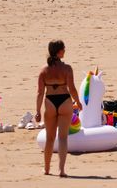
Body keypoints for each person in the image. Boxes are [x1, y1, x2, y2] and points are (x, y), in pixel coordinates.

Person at [35, 40, 83, 177]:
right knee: (63, 138)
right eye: (64, 49)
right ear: (59, 51)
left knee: (50, 138)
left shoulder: (44, 70)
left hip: (50, 101)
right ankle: (61, 170)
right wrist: (78, 102)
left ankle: (46, 169)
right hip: (65, 101)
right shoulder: (67, 68)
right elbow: (72, 88)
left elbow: (40, 92)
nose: (65, 50)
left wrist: (38, 111)